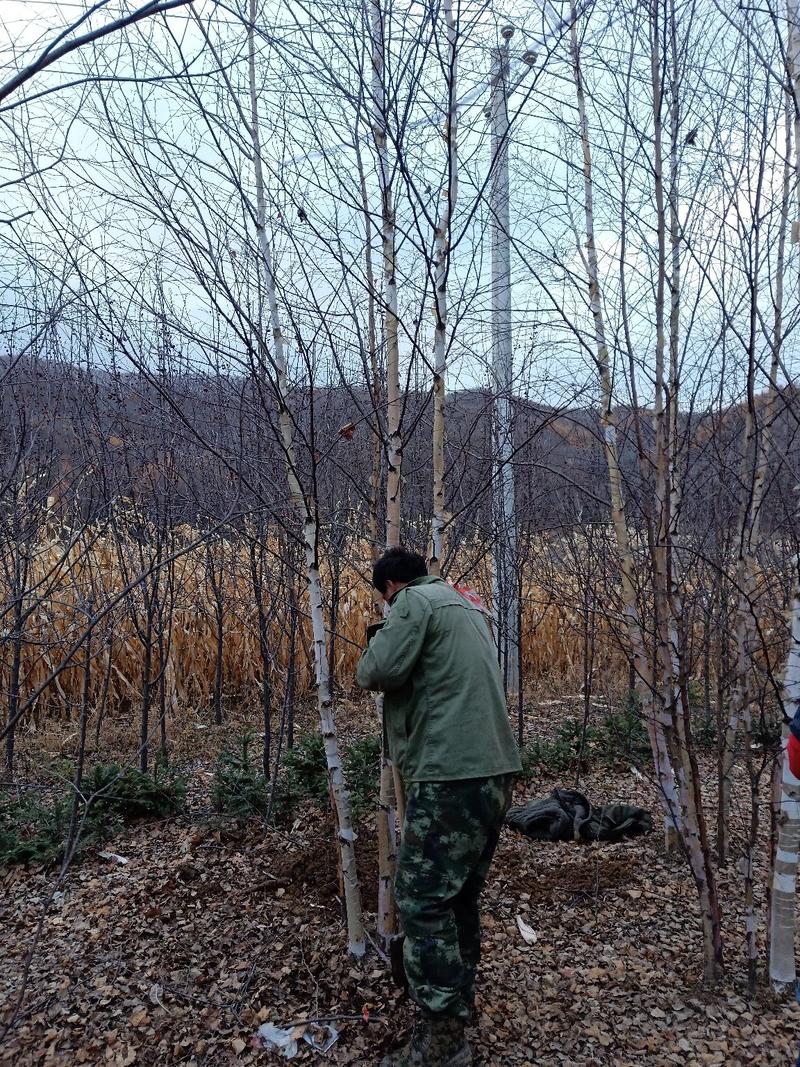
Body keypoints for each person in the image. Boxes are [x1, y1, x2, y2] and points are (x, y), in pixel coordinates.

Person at [356, 547, 522, 1067]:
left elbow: (376, 671)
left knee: (423, 900)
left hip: (448, 770)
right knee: (458, 897)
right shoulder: (467, 604)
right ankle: (457, 1007)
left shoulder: (412, 603)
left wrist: (379, 636)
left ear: (389, 588)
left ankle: (443, 1040)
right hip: (493, 768)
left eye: (384, 601)